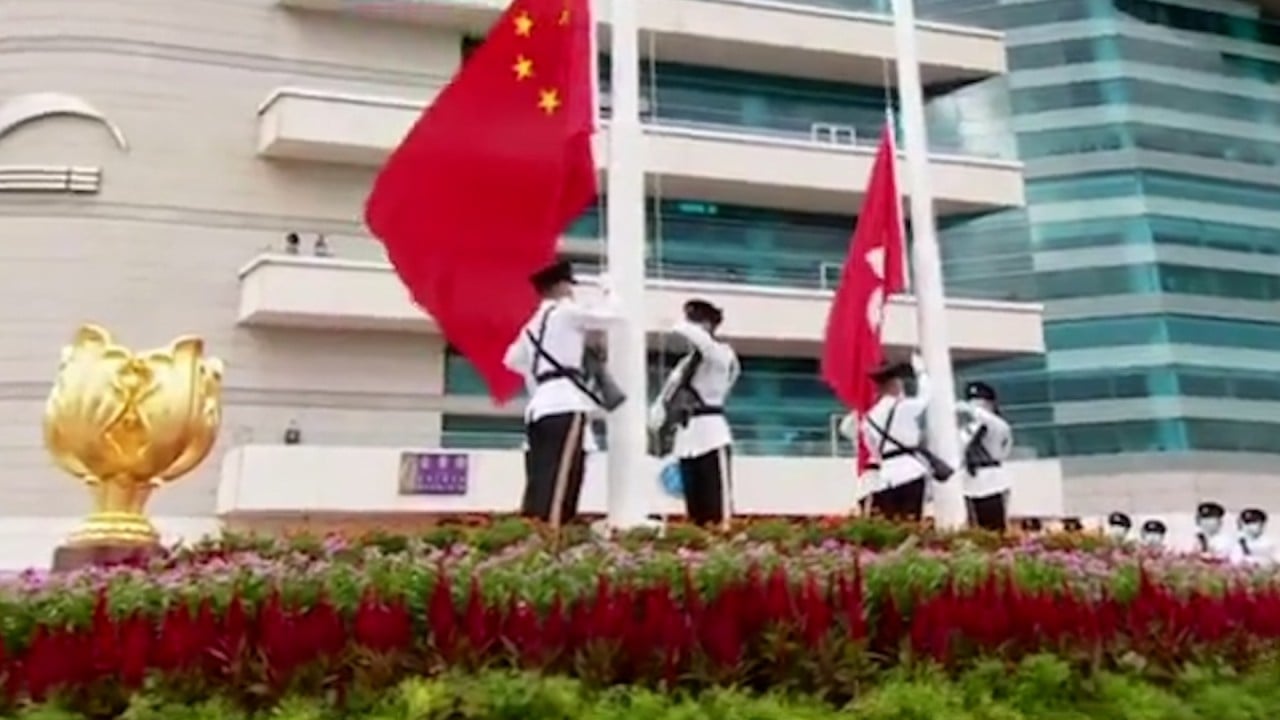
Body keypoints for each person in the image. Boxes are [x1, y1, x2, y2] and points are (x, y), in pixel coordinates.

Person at [503, 259, 620, 527]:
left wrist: (539, 379)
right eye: (569, 286)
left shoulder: (531, 326)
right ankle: (552, 534)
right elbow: (614, 316)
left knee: (541, 476)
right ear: (561, 286)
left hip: (539, 406)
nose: (572, 291)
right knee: (562, 479)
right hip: (565, 403)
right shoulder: (565, 312)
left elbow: (512, 359)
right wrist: (609, 291)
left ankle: (533, 530)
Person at [648, 299, 739, 527]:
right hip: (687, 437)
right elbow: (666, 397)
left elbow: (704, 345)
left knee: (716, 508)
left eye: (699, 322)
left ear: (709, 326)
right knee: (694, 508)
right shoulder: (684, 364)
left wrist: (679, 324)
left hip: (712, 434)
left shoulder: (721, 354)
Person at [856, 355, 939, 522]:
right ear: (896, 385)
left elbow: (874, 451)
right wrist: (922, 372)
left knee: (892, 523)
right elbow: (926, 397)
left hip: (887, 475)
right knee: (912, 522)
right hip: (911, 472)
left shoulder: (869, 419)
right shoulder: (905, 407)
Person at [956, 381, 1013, 532]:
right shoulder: (967, 428)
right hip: (969, 482)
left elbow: (997, 429)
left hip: (992, 481)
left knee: (996, 528)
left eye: (981, 404)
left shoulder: (997, 426)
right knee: (975, 529)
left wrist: (972, 410)